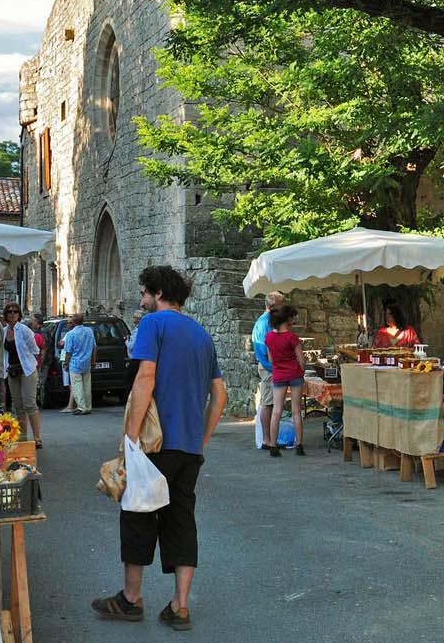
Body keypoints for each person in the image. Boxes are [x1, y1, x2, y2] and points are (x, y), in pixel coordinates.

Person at [91, 265, 226, 631]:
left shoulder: (153, 325)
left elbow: (145, 378)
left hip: (155, 444)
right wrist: (201, 439)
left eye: (144, 294)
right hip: (188, 449)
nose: (141, 300)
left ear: (157, 293)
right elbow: (220, 396)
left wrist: (130, 440)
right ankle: (180, 606)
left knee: (137, 514)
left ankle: (131, 598)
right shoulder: (202, 334)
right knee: (181, 520)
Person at [265, 304, 305, 456]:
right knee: (296, 411)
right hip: (294, 374)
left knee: (276, 411)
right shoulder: (292, 337)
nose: (294, 320)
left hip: (279, 375)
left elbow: (270, 358)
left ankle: (273, 446)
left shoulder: (269, 337)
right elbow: (301, 359)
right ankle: (299, 445)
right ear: (288, 319)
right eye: (293, 317)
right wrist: (301, 369)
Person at [3, 303, 43, 447]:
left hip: (27, 370)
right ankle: (23, 436)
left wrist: (27, 362)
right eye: (9, 312)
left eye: (15, 311)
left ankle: (37, 438)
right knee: (18, 405)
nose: (12, 314)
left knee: (30, 404)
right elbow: (4, 353)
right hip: (12, 371)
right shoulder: (4, 331)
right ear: (6, 315)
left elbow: (35, 350)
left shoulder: (24, 330)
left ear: (19, 314)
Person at [251, 292, 284, 450]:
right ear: (272, 307)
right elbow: (267, 348)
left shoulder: (265, 321)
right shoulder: (265, 323)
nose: (283, 308)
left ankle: (270, 439)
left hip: (269, 366)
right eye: (280, 306)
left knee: (270, 403)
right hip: (268, 367)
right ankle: (267, 440)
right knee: (268, 403)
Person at [62, 312, 97, 415]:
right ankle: (88, 406)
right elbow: (94, 347)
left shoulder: (71, 334)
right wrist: (93, 361)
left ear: (73, 322)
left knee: (77, 386)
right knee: (87, 385)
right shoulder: (89, 331)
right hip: (86, 362)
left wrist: (66, 363)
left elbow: (68, 351)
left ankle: (81, 407)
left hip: (75, 362)